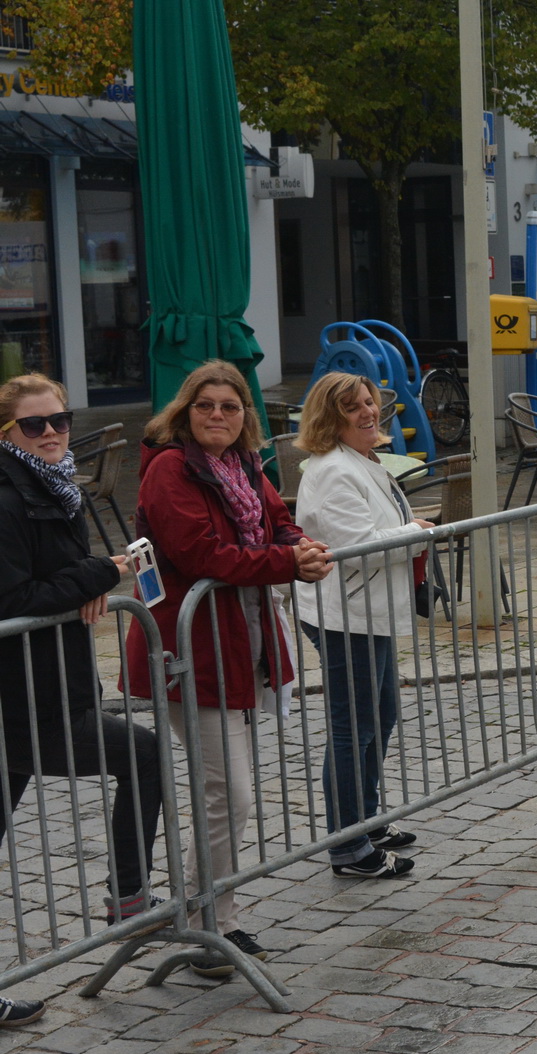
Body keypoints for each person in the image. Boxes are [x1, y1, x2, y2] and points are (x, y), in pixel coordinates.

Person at [125, 360, 332, 979]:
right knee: (230, 792)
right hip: (190, 651)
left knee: (226, 792)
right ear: (185, 411)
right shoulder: (169, 469)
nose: (218, 415)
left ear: (247, 415)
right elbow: (199, 552)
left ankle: (201, 909)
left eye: (230, 406)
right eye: (205, 405)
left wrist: (301, 545)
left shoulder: (242, 464)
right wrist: (286, 562)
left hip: (241, 642)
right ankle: (209, 917)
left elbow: (276, 518)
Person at [0, 375, 163, 1027]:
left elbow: (47, 580)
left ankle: (129, 896)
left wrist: (81, 581)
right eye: (33, 424)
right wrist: (98, 574)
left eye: (59, 420)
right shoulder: (9, 499)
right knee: (144, 752)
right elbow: (14, 598)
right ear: (6, 432)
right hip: (26, 702)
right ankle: (128, 896)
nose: (50, 432)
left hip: (45, 691)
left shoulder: (51, 490)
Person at [292, 372, 432, 879]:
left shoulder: (364, 460)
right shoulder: (332, 471)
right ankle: (349, 847)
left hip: (367, 613)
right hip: (343, 615)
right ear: (331, 418)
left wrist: (409, 532)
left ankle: (367, 820)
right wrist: (415, 534)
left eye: (369, 403)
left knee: (383, 713)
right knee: (354, 727)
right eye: (353, 408)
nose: (367, 413)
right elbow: (360, 549)